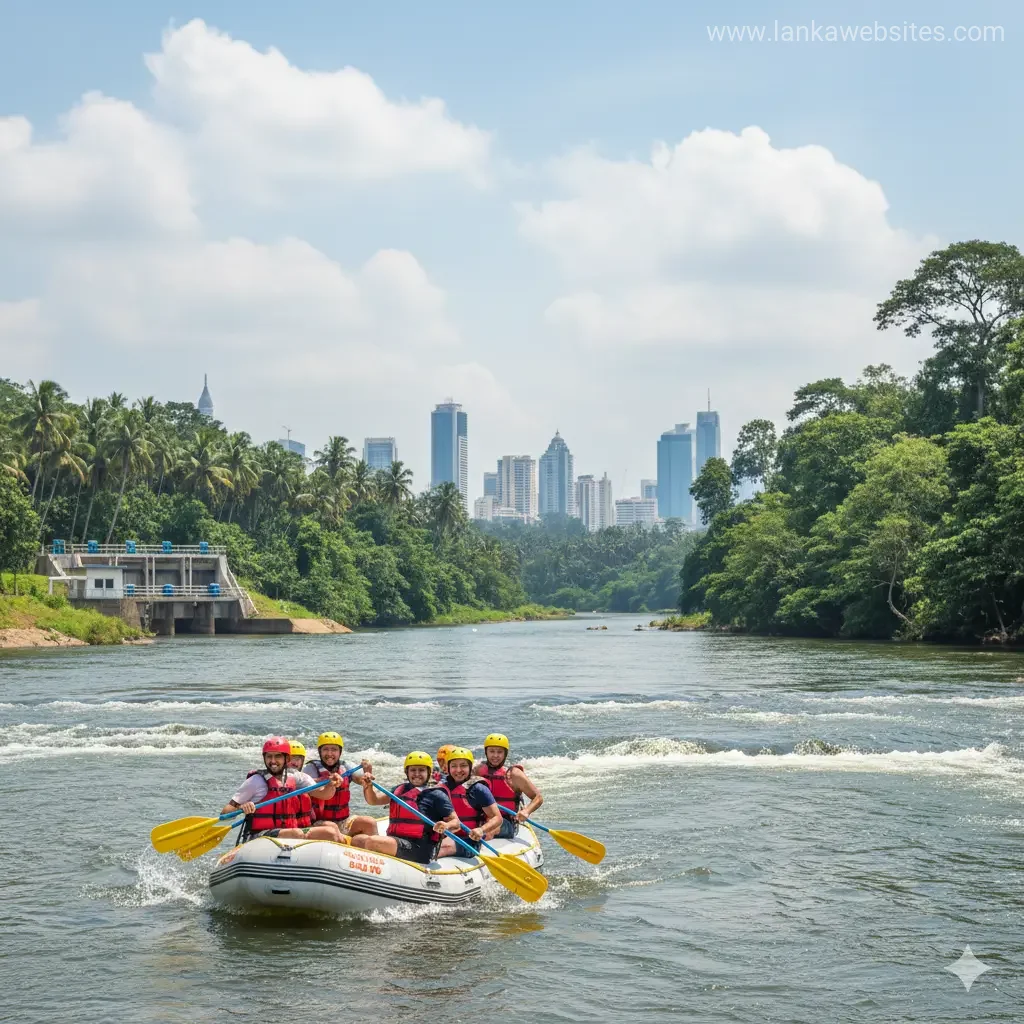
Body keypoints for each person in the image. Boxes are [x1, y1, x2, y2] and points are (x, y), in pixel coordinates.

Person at [223, 736, 347, 843]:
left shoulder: (297, 777)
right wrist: (242, 807)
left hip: (288, 833)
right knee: (298, 834)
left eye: (277, 756)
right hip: (260, 836)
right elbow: (225, 813)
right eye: (269, 757)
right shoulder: (255, 781)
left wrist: (332, 785)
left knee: (330, 831)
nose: (272, 761)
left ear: (286, 759)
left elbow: (324, 794)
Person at [350, 751, 460, 863]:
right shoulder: (399, 789)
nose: (417, 774)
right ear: (406, 772)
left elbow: (456, 823)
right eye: (413, 770)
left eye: (421, 770)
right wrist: (368, 787)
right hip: (395, 841)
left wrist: (446, 825)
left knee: (372, 841)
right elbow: (373, 800)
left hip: (419, 848)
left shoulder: (436, 795)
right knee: (357, 840)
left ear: (429, 772)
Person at [304, 730, 376, 839]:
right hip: (318, 823)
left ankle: (372, 851)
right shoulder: (310, 768)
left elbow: (360, 779)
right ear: (320, 751)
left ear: (340, 752)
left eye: (334, 749)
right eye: (325, 749)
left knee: (369, 822)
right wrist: (327, 781)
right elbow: (307, 785)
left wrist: (367, 773)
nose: (329, 754)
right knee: (332, 828)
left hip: (343, 820)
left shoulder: (346, 766)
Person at [474, 732, 544, 839]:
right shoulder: (478, 770)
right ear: (486, 752)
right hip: (482, 818)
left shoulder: (514, 774)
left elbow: (538, 797)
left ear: (505, 754)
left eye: (500, 752)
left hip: (506, 822)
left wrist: (526, 811)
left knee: (492, 827)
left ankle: (477, 848)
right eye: (491, 751)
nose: (495, 755)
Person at [444, 746, 501, 857]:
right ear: (448, 768)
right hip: (446, 836)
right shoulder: (442, 788)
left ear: (470, 768)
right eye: (454, 766)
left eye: (463, 766)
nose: (458, 770)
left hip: (469, 841)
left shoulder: (478, 789)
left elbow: (497, 818)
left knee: (443, 846)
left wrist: (481, 830)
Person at [287, 741, 314, 828]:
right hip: (284, 828)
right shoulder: (274, 782)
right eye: (291, 759)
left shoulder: (305, 780)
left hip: (302, 827)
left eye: (298, 759)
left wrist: (331, 784)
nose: (294, 763)